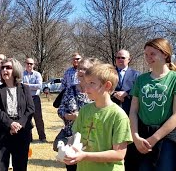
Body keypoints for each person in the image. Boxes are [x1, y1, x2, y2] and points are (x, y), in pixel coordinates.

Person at [64, 64, 132, 171]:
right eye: (86, 83)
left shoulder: (118, 116)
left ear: (107, 86)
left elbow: (119, 154)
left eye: (91, 83)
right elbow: (75, 137)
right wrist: (68, 150)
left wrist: (85, 156)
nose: (86, 88)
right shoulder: (84, 111)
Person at [129, 38, 176, 170]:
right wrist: (135, 137)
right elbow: (133, 110)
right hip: (142, 136)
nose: (148, 57)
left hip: (167, 137)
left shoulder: (174, 79)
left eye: (152, 54)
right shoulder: (141, 79)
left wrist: (154, 138)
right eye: (146, 54)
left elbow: (175, 115)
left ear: (165, 54)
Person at [0, 58, 35, 171]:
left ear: (15, 70)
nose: (4, 70)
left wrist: (18, 125)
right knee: (0, 167)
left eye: (8, 67)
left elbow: (30, 109)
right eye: (2, 68)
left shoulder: (25, 88)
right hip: (2, 132)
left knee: (20, 166)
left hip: (22, 132)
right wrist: (10, 124)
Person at [57, 58, 100, 171]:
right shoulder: (69, 90)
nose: (80, 71)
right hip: (71, 138)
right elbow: (60, 110)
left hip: (91, 140)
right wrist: (69, 116)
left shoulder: (97, 91)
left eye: (85, 69)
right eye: (79, 68)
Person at [23, 58, 46, 142]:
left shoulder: (37, 74)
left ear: (34, 65)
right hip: (25, 98)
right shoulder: (22, 74)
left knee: (38, 118)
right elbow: (20, 85)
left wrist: (27, 86)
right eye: (28, 63)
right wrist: (31, 86)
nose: (29, 65)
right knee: (27, 119)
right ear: (25, 64)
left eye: (31, 64)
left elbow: (39, 86)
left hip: (35, 98)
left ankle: (42, 137)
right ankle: (29, 138)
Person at [112, 49, 140, 115]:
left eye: (123, 58)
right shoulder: (109, 73)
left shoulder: (136, 74)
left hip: (130, 110)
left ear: (129, 60)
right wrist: (114, 94)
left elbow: (139, 89)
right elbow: (103, 87)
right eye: (118, 57)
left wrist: (127, 93)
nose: (120, 59)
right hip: (113, 108)